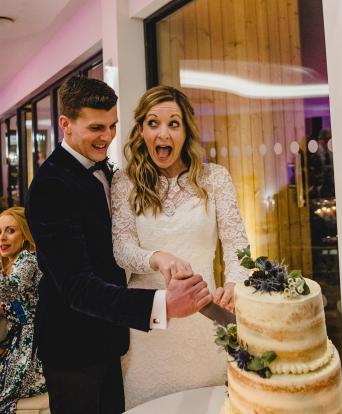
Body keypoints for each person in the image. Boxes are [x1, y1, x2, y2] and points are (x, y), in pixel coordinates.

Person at [25, 76, 212, 414]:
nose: (108, 136)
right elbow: (78, 287)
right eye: (96, 127)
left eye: (112, 126)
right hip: (73, 349)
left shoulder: (107, 173)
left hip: (111, 339)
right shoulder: (51, 186)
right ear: (65, 124)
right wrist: (162, 306)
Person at [111, 85, 249, 409]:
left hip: (204, 327)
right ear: (141, 130)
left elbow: (237, 244)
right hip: (148, 331)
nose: (164, 132)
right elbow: (122, 247)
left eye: (174, 123)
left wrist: (234, 283)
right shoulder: (125, 183)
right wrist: (156, 258)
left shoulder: (215, 179)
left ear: (186, 130)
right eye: (153, 123)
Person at [0, 207, 46, 413]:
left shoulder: (28, 260)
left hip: (33, 348)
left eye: (10, 230)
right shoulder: (11, 264)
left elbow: (10, 290)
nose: (2, 237)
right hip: (18, 342)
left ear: (25, 234)